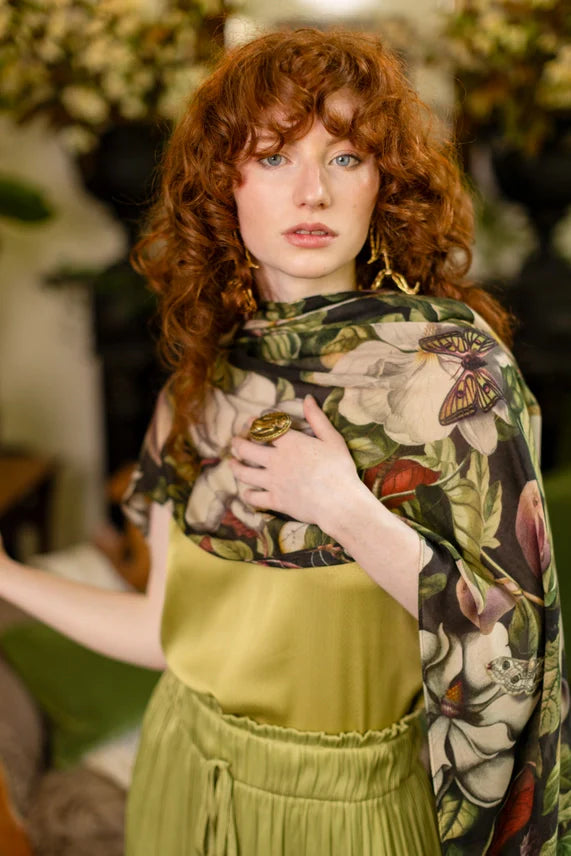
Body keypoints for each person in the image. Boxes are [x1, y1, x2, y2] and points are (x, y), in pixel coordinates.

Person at [0, 27, 569, 855]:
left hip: (351, 814)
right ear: (222, 186)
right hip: (184, 773)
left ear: (383, 182)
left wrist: (340, 505)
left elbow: (515, 640)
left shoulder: (451, 375)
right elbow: (167, 631)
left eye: (343, 158)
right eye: (272, 156)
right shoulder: (197, 389)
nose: (312, 193)